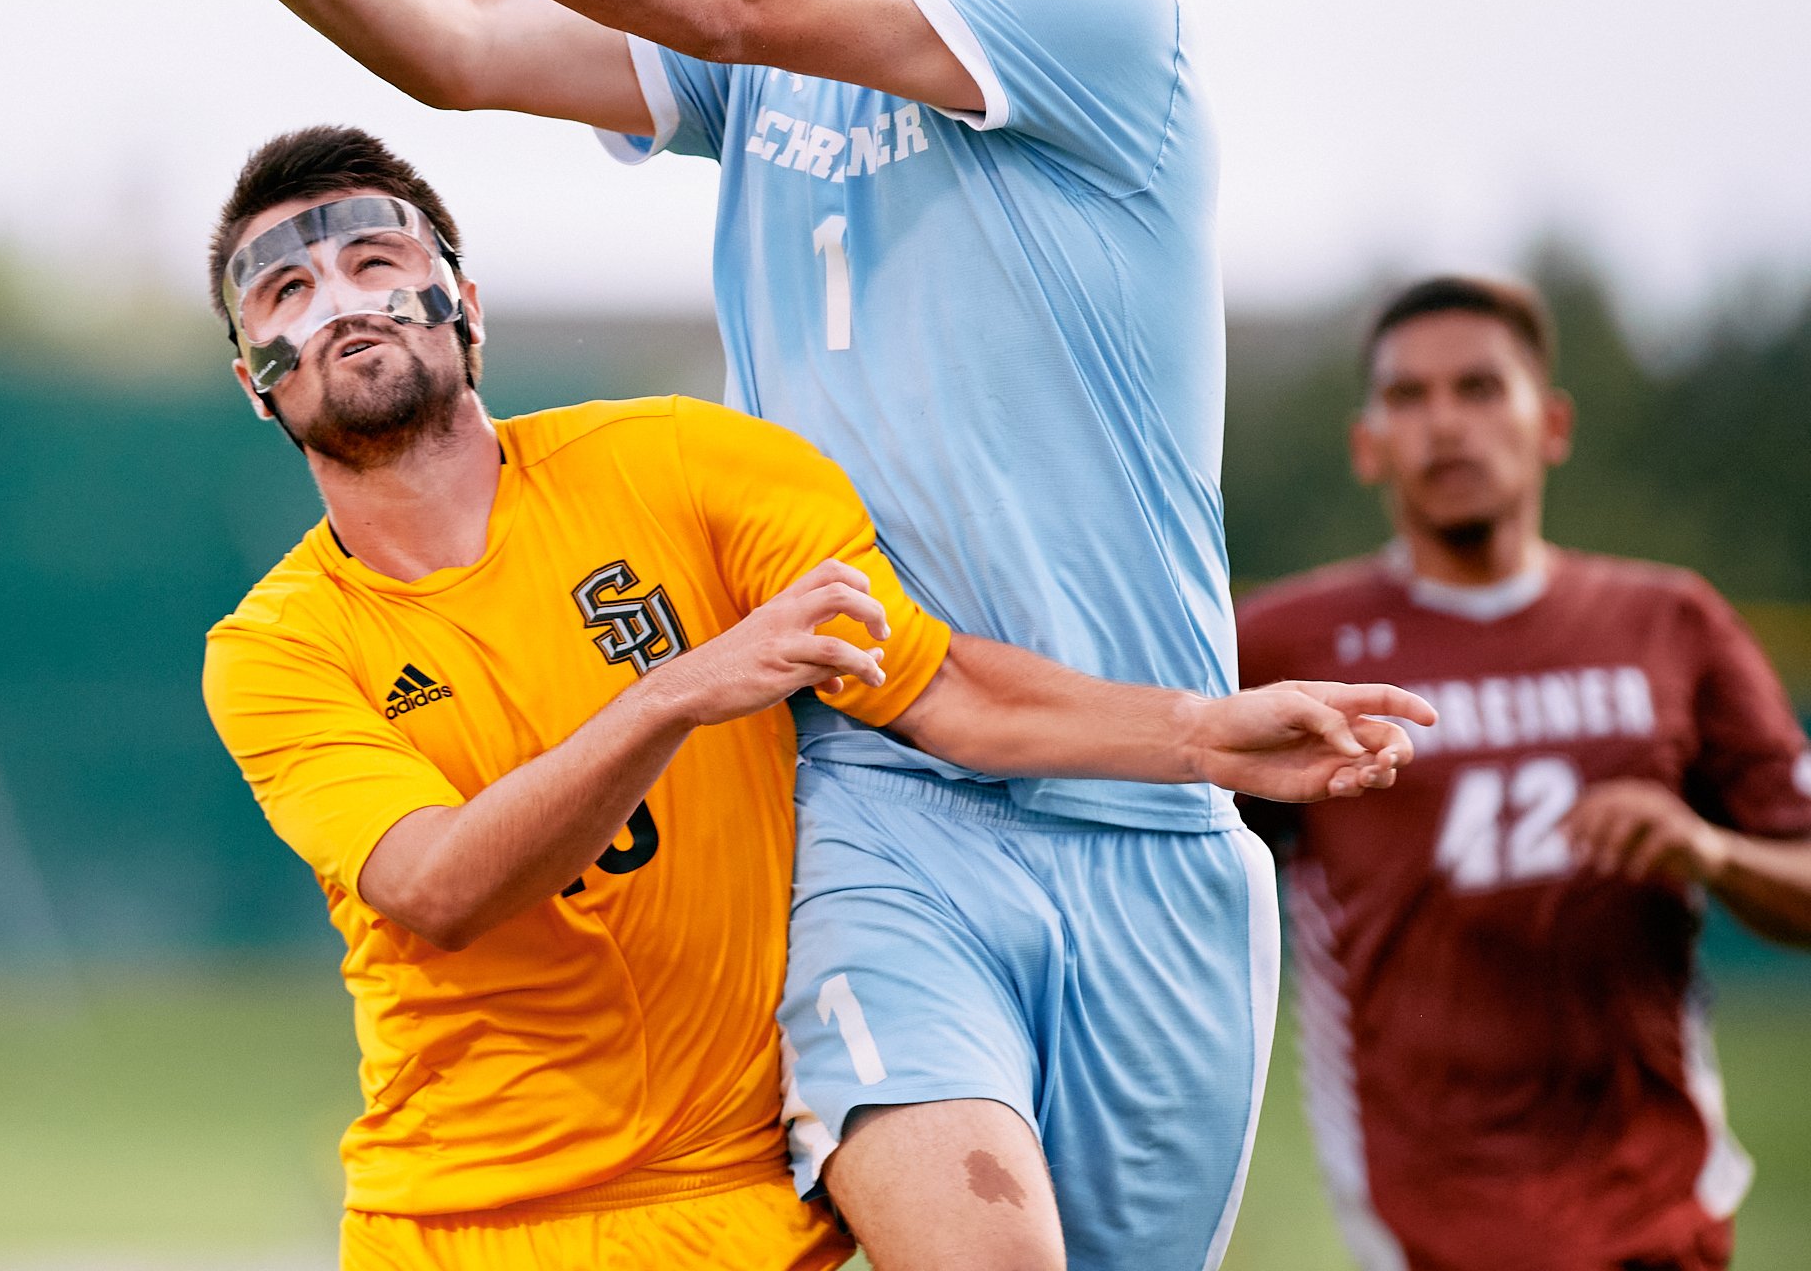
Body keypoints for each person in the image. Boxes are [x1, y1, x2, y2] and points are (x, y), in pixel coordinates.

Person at [139, 0, 1274, 1269]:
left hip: (1138, 789)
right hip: (883, 785)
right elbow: (456, 47)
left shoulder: (1096, 11)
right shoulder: (779, 72)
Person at [200, 126, 1427, 1270]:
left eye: (376, 259)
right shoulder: (277, 645)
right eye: (287, 293)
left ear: (464, 306)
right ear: (257, 378)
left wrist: (1206, 733)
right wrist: (676, 693)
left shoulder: (680, 462)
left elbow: (938, 684)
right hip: (458, 1217)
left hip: (737, 1202)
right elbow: (438, 883)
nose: (343, 303)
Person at [1237, 275, 1811, 1271]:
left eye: (1477, 386)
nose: (1444, 424)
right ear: (1365, 442)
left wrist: (1707, 848)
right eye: (1407, 397)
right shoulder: (1286, 645)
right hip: (1425, 1211)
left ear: (1550, 422)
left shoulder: (1672, 622)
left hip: (1655, 1197)